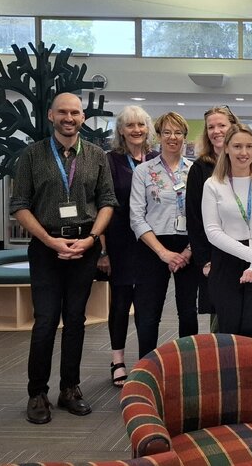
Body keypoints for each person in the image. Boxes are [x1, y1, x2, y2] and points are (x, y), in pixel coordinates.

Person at [10, 92, 116, 424]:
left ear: (83, 117)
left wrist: (91, 239)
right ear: (51, 116)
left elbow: (108, 201)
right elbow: (20, 205)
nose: (69, 118)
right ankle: (37, 393)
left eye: (75, 112)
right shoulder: (31, 155)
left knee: (75, 321)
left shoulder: (97, 155)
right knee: (44, 323)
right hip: (45, 247)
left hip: (84, 247)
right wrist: (50, 240)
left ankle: (70, 388)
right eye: (63, 112)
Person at [202, 123, 252, 340]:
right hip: (227, 261)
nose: (243, 153)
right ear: (226, 148)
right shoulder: (213, 184)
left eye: (249, 146)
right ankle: (231, 375)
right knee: (230, 331)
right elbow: (212, 231)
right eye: (237, 146)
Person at [129, 112, 198, 359]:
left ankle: (188, 369)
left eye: (178, 132)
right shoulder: (143, 171)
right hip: (153, 246)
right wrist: (163, 253)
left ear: (185, 137)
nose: (173, 137)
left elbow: (204, 217)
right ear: (158, 136)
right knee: (148, 315)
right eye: (167, 132)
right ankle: (147, 372)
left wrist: (188, 250)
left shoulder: (195, 171)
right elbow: (136, 217)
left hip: (188, 248)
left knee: (188, 312)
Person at [100, 105, 158, 387]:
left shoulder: (157, 160)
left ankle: (146, 362)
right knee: (121, 304)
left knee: (148, 306)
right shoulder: (110, 161)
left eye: (141, 125)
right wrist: (103, 249)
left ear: (148, 129)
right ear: (121, 130)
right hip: (120, 241)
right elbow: (102, 205)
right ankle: (118, 359)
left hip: (150, 242)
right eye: (130, 125)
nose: (136, 130)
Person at [185, 106, 235, 331]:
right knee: (221, 319)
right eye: (211, 127)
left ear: (233, 126)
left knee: (250, 317)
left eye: (221, 125)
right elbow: (194, 220)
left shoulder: (250, 162)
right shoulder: (200, 168)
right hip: (215, 256)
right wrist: (204, 260)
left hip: (249, 252)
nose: (216, 131)